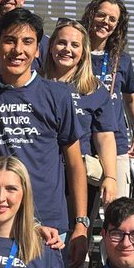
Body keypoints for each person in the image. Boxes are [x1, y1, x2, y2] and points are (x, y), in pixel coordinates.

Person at [0, 8, 89, 268]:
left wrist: (80, 223)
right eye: (9, 40)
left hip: (50, 224)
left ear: (38, 51)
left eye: (27, 42)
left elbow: (75, 163)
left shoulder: (57, 95)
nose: (17, 50)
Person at [43, 19, 119, 232]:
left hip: (81, 179)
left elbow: (104, 137)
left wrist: (111, 177)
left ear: (84, 52)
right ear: (50, 48)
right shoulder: (35, 83)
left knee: (76, 244)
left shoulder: (94, 89)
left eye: (75, 45)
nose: (67, 49)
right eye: (61, 43)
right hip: (43, 177)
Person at [81, 0, 134, 195]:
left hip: (115, 143)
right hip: (80, 142)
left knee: (117, 209)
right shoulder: (74, 53)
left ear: (118, 26)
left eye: (112, 19)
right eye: (101, 15)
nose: (105, 22)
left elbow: (130, 99)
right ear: (91, 15)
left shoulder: (122, 60)